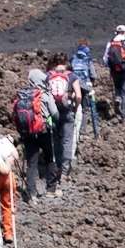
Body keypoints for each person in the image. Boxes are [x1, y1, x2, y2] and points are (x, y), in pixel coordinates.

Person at [11, 69, 58, 205]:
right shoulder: (44, 94)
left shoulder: (22, 95)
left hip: (27, 133)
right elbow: (55, 114)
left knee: (32, 163)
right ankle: (51, 189)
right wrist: (53, 122)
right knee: (50, 157)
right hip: (44, 132)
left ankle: (31, 195)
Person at [47, 52, 83, 191]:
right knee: (67, 140)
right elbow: (79, 96)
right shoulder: (71, 76)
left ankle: (56, 169)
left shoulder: (49, 75)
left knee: (56, 140)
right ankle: (65, 172)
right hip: (67, 111)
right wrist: (75, 107)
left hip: (53, 112)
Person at [71, 40, 99, 139]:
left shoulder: (73, 58)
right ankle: (83, 131)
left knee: (73, 107)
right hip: (85, 86)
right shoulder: (87, 59)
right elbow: (93, 75)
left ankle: (72, 129)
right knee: (86, 109)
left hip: (73, 85)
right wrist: (91, 84)